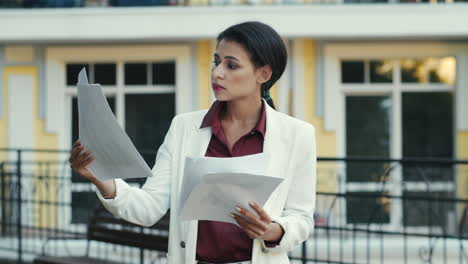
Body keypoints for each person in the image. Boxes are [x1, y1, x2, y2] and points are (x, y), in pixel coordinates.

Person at [69, 21, 317, 264]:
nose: (217, 72)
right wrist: (101, 179)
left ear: (263, 74)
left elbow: (301, 218)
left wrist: (273, 231)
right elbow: (148, 208)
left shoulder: (298, 135)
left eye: (231, 65)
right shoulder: (184, 128)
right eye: (217, 61)